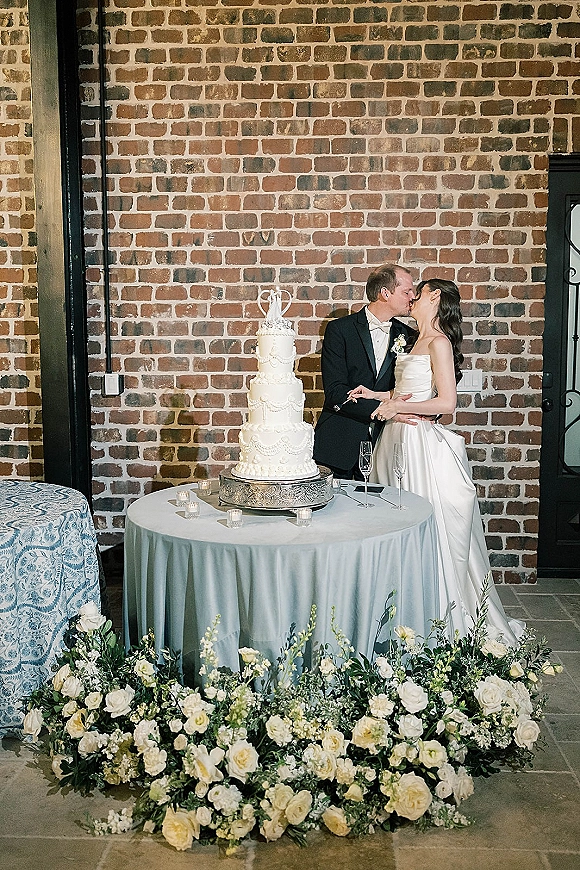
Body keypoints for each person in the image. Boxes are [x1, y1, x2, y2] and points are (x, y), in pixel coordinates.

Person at [348, 278, 524, 644]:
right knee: (394, 521)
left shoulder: (440, 342)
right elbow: (405, 391)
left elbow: (446, 404)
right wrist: (378, 394)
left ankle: (436, 613)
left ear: (435, 297)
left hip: (418, 445)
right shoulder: (415, 340)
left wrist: (398, 406)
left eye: (418, 292)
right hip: (395, 440)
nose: (411, 297)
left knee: (426, 525)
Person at [313, 263, 419, 479]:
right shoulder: (339, 330)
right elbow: (335, 392)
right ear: (385, 293)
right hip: (339, 443)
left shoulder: (409, 335)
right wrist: (383, 409)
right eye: (407, 291)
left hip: (388, 444)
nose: (413, 297)